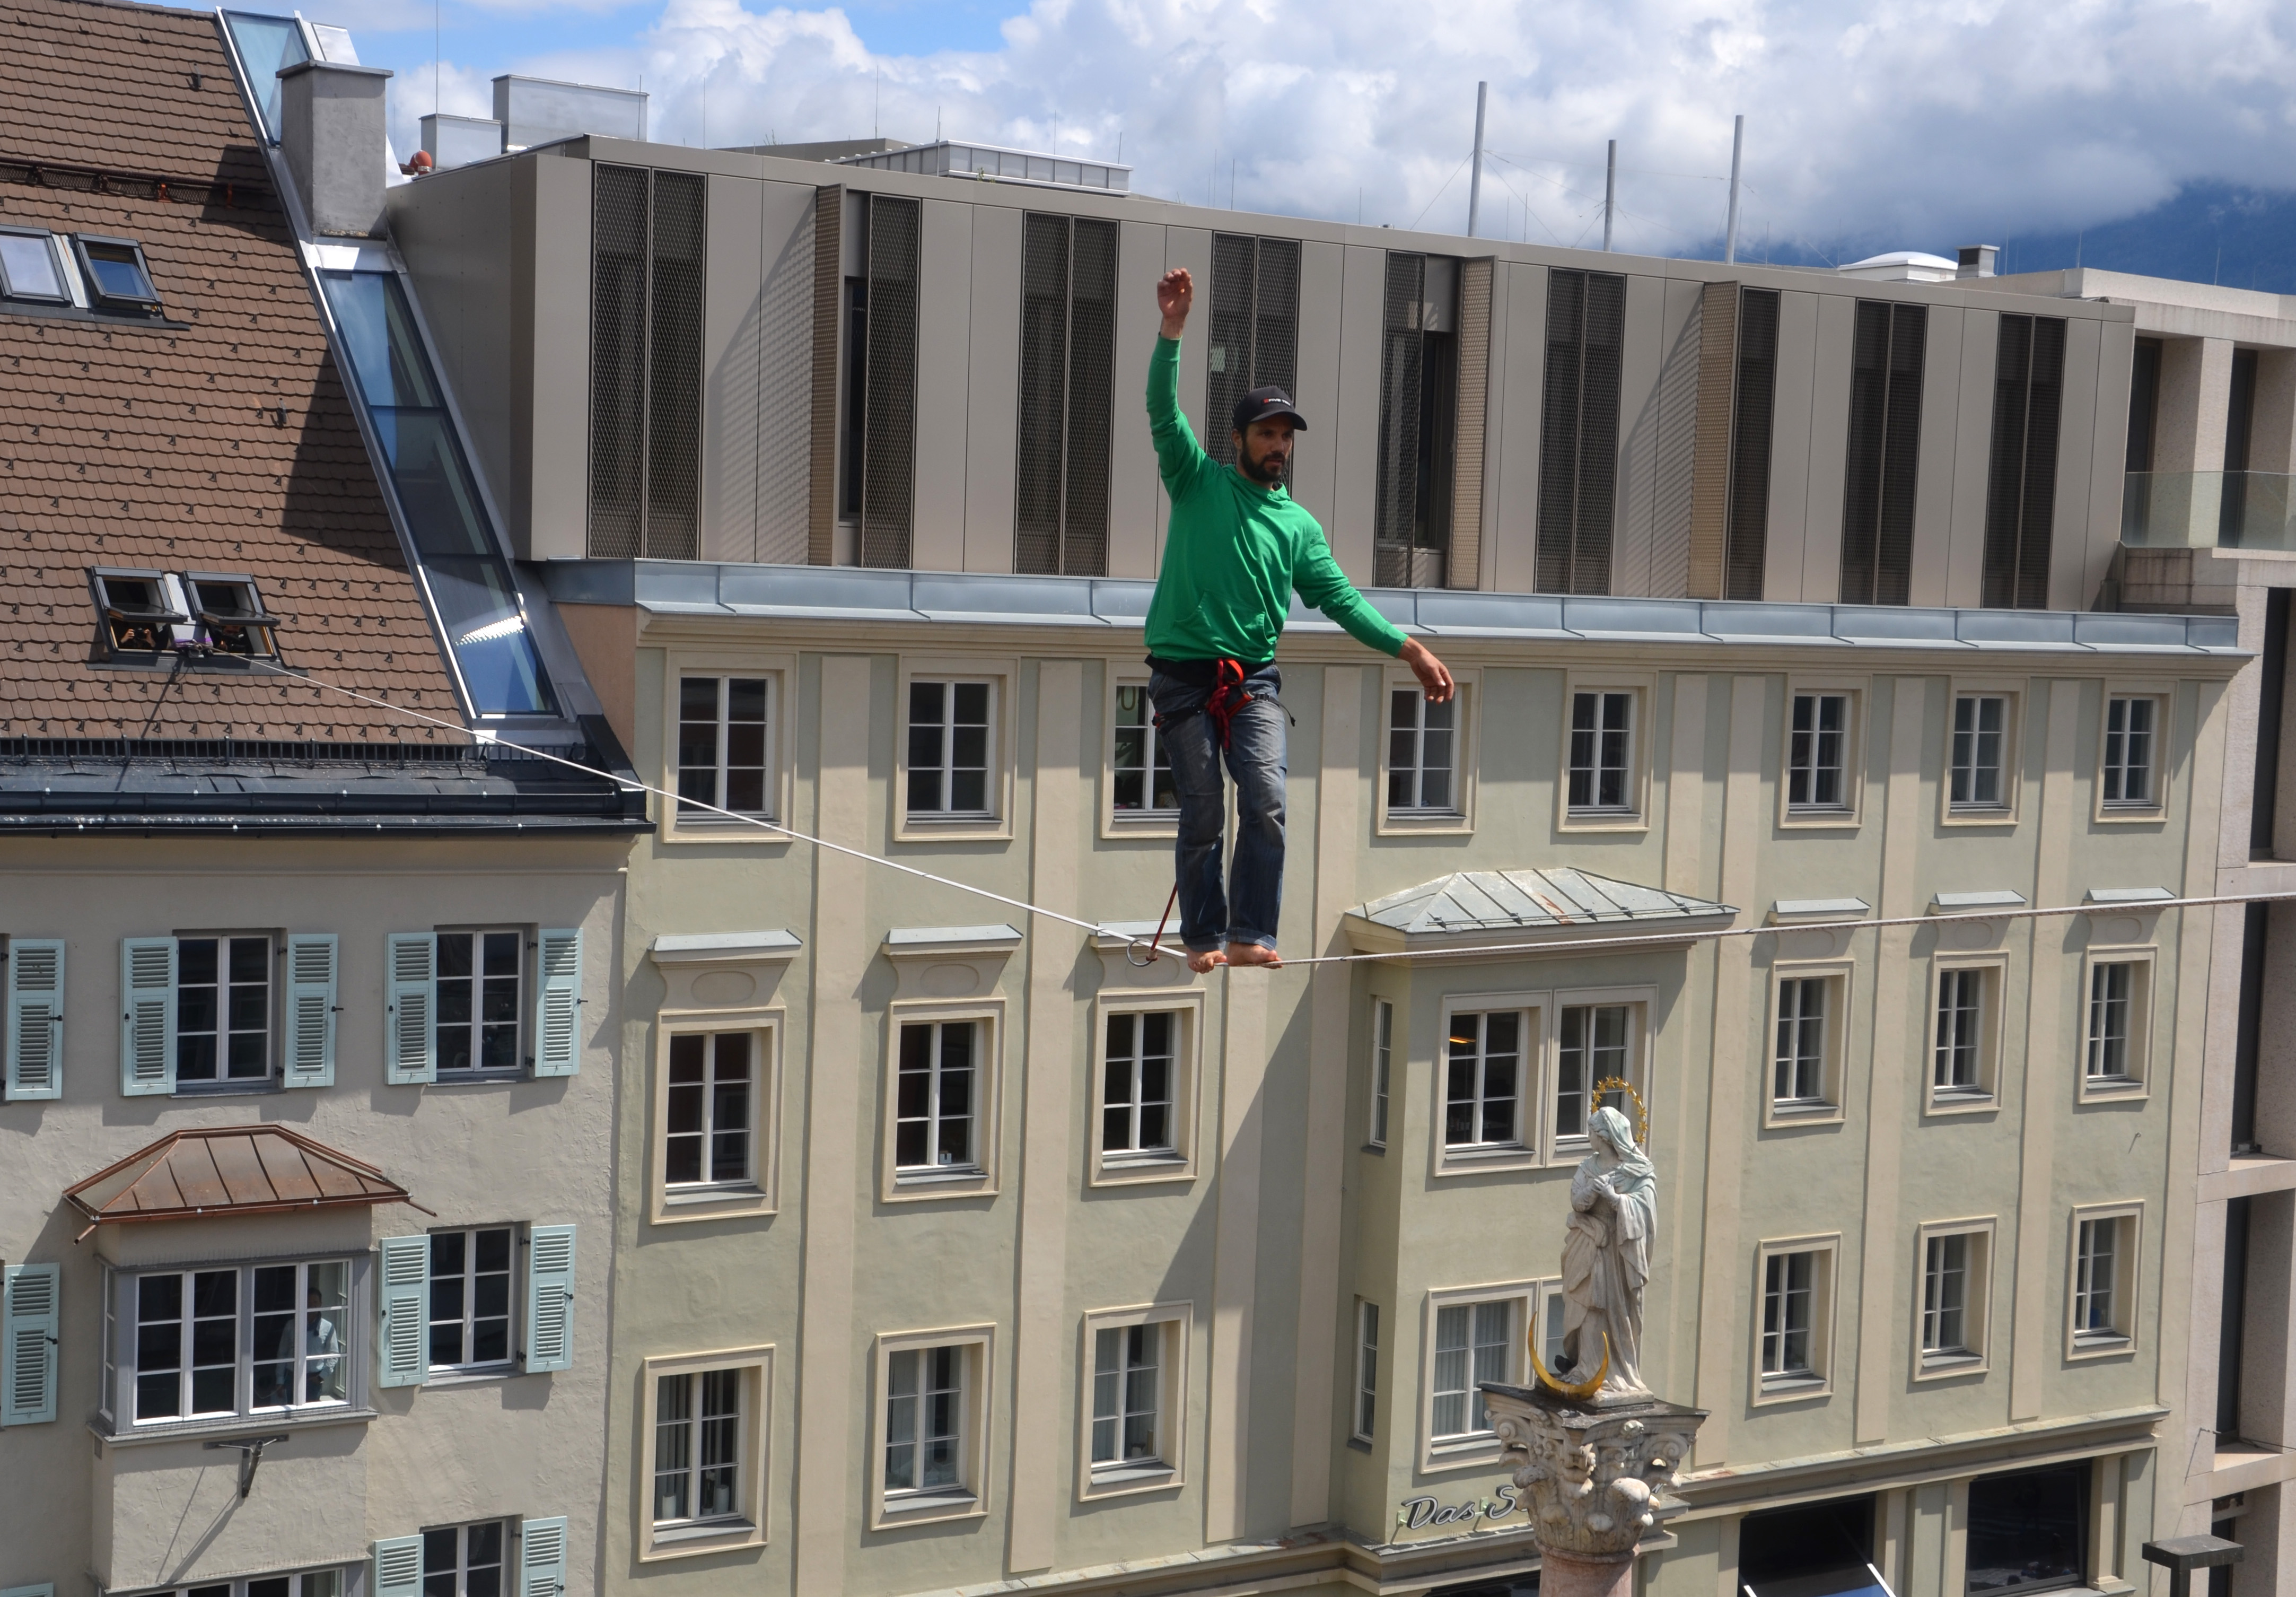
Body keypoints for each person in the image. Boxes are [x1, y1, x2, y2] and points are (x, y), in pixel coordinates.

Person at [1144, 266, 1454, 973]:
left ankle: (1251, 931)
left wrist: (1407, 648)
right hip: (1182, 678)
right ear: (1239, 439)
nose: (1278, 445)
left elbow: (1341, 598)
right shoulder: (1197, 482)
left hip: (1251, 680)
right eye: (1265, 433)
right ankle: (1201, 936)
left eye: (1286, 435)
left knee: (1267, 800)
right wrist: (1172, 332)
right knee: (1201, 813)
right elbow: (1163, 414)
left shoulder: (1299, 526)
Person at [1557, 1105, 1657, 1400]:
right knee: (1588, 1306)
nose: (1589, 1138)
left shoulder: (1638, 1171)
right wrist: (1591, 1192)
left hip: (1618, 1252)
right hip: (1588, 1245)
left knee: (1614, 1311)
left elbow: (1646, 1213)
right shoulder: (1588, 1167)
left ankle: (1616, 1373)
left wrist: (1615, 1199)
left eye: (1591, 1133)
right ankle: (1587, 1367)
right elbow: (1577, 1201)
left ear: (1606, 1136)